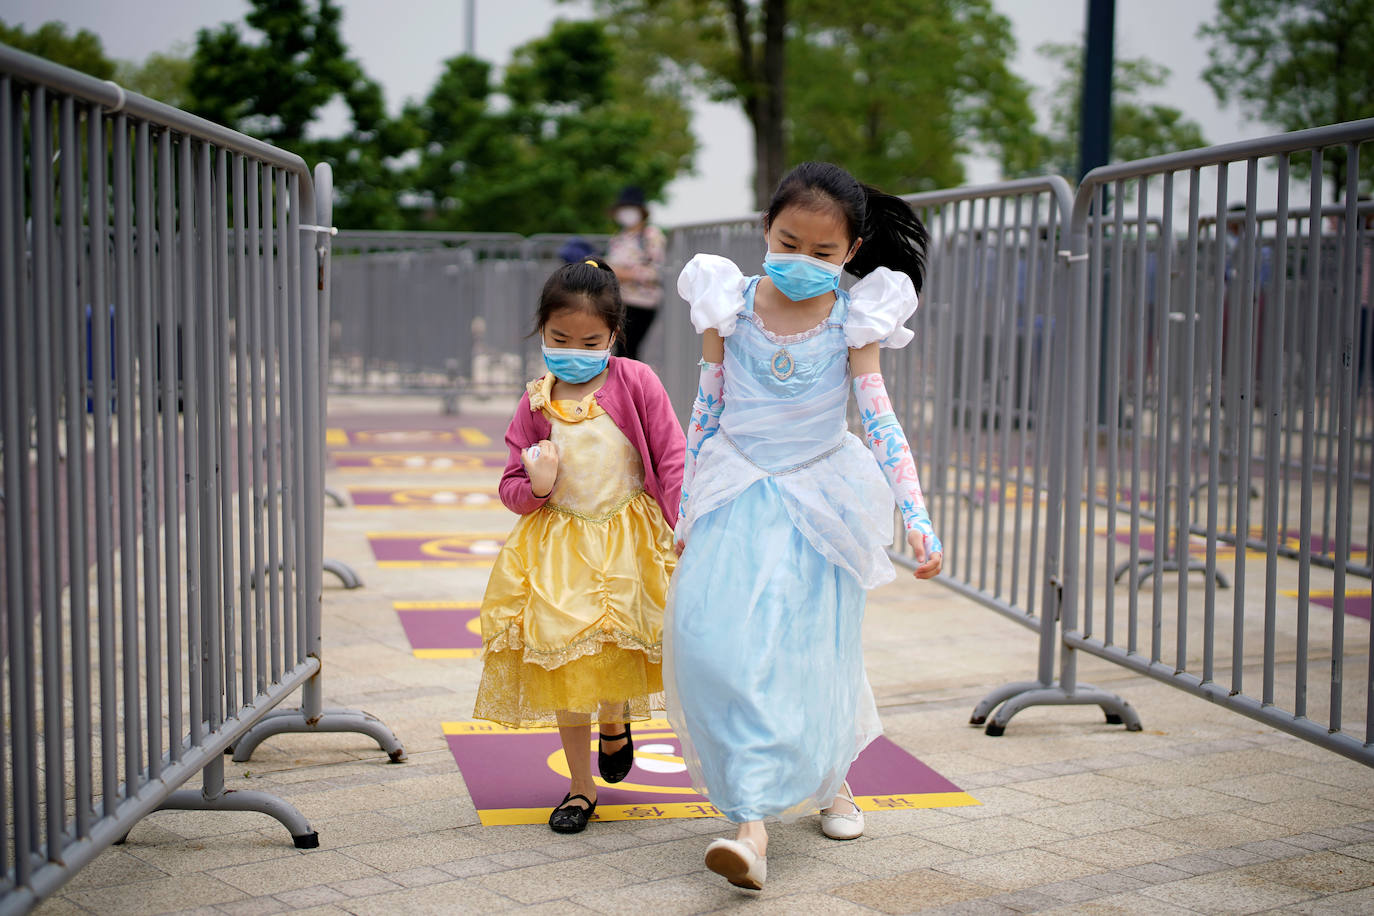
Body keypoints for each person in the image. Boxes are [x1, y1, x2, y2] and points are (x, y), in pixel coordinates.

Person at [666, 161, 944, 890]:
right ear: (765, 229)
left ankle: (810, 794)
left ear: (850, 253)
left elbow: (878, 418)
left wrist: (916, 516)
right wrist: (689, 504)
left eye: (822, 253)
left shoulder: (858, 316)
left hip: (823, 497)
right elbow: (706, 408)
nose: (802, 262)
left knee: (810, 649)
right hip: (736, 489)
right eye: (788, 243)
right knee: (712, 643)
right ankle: (753, 815)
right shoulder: (725, 303)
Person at [474, 257, 686, 834]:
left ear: (614, 335)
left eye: (590, 339)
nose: (573, 348)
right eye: (559, 337)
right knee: (568, 658)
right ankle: (578, 787)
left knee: (617, 650)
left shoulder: (637, 381)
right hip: (559, 550)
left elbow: (670, 458)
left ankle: (614, 722)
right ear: (541, 331)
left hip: (629, 541)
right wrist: (537, 486)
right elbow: (511, 487)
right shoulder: (536, 400)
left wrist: (685, 524)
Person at [606, 186, 667, 361]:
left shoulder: (651, 235)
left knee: (628, 350)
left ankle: (629, 387)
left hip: (642, 303)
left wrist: (621, 273)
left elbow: (654, 271)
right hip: (619, 301)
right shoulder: (619, 237)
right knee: (620, 350)